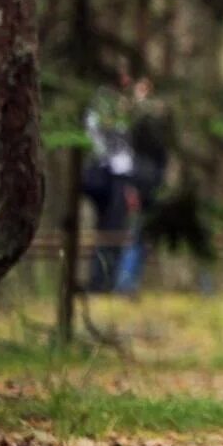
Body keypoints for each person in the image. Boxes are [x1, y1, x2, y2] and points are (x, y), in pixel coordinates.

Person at [113, 76, 170, 296]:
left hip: (144, 181)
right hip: (141, 182)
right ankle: (125, 283)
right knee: (136, 233)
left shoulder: (144, 118)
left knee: (138, 233)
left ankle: (127, 283)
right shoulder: (138, 120)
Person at [82, 73, 135, 293]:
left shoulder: (102, 102)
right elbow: (100, 133)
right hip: (111, 173)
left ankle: (104, 279)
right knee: (111, 229)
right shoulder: (109, 103)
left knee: (111, 228)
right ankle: (101, 281)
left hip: (109, 172)